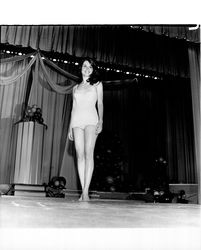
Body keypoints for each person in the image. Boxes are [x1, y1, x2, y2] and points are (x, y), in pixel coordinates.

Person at [68, 58, 103, 201]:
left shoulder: (97, 84)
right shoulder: (75, 88)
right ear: (81, 68)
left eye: (90, 66)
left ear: (93, 69)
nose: (87, 68)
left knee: (89, 153)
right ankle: (83, 190)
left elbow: (100, 103)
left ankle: (85, 192)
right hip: (77, 121)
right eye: (84, 66)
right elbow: (73, 108)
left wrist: (101, 120)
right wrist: (70, 127)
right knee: (79, 154)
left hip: (91, 120)